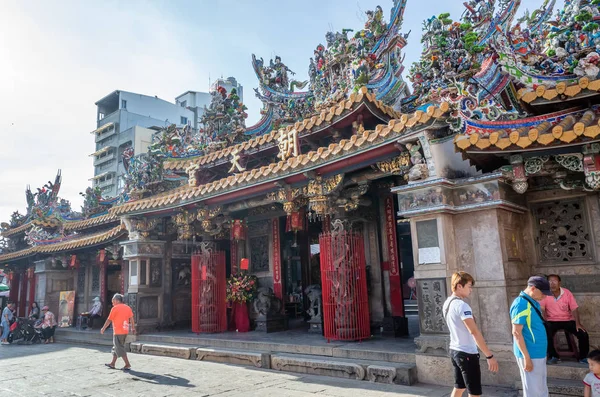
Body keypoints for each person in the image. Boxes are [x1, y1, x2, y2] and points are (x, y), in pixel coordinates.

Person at [443, 271, 499, 397]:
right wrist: (489, 356)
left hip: (455, 350)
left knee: (459, 387)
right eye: (469, 286)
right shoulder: (462, 306)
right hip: (467, 353)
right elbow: (474, 331)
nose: (471, 290)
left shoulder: (447, 303)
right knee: (474, 393)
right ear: (459, 286)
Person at [510, 276, 553, 397]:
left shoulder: (532, 302)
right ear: (533, 288)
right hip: (530, 353)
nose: (545, 296)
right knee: (534, 391)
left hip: (538, 352)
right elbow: (517, 333)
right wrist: (526, 358)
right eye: (543, 293)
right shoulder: (521, 304)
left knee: (540, 388)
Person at [541, 274, 589, 364]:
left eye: (554, 281)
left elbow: (574, 308)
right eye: (550, 281)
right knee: (545, 331)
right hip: (551, 320)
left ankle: (583, 357)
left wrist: (578, 323)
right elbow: (542, 309)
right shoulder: (545, 294)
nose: (552, 284)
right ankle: (553, 356)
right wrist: (545, 321)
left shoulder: (567, 292)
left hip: (567, 320)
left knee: (583, 333)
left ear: (559, 283)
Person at [101, 293, 135, 371]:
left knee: (119, 347)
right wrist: (133, 327)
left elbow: (109, 320)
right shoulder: (127, 307)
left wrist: (103, 328)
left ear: (116, 300)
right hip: (125, 330)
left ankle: (127, 364)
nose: (112, 303)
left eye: (113, 301)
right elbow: (132, 318)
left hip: (118, 331)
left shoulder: (115, 308)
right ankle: (113, 363)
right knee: (116, 347)